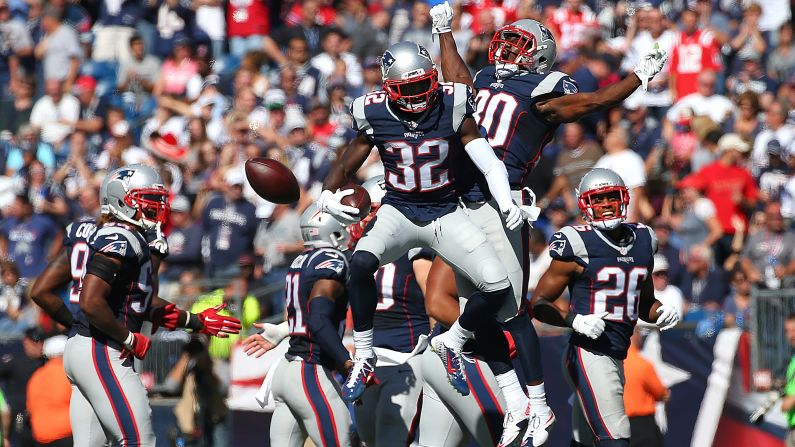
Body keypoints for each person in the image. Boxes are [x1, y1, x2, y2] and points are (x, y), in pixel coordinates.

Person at [430, 8, 667, 443]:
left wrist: (636, 78)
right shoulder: (482, 79)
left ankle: (535, 404)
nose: (505, 51)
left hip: (502, 204)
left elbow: (592, 102)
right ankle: (507, 389)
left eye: (520, 47)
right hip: (460, 197)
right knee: (451, 300)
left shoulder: (545, 88)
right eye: (506, 42)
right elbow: (456, 77)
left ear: (540, 58)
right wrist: (444, 32)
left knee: (508, 304)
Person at [316, 41, 526, 414]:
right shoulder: (373, 112)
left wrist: (506, 199)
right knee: (360, 263)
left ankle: (454, 340)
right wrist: (326, 195)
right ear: (387, 87)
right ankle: (363, 354)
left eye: (421, 86)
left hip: (445, 212)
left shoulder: (453, 103)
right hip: (398, 211)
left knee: (497, 287)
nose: (415, 96)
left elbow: (490, 163)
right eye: (405, 89)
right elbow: (346, 163)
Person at [62, 164, 240, 447]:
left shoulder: (129, 236)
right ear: (122, 199)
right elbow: (91, 301)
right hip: (102, 348)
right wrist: (129, 337)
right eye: (148, 199)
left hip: (86, 346)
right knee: (138, 440)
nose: (157, 206)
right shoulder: (120, 236)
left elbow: (140, 303)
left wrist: (195, 321)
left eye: (158, 199)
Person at [530, 168, 680, 447]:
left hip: (616, 351)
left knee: (585, 440)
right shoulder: (577, 242)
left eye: (611, 197)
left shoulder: (644, 239)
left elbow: (645, 303)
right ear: (586, 204)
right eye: (598, 200)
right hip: (588, 351)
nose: (606, 204)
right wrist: (574, 320)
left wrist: (660, 311)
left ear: (623, 198)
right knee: (616, 437)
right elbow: (539, 304)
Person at [253, 205, 353, 447]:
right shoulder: (332, 260)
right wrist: (348, 363)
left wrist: (282, 329)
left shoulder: (301, 259)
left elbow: (307, 316)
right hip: (310, 371)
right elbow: (318, 320)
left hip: (287, 371)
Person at [0, 327, 44, 447]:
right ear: (26, 342)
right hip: (20, 413)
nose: (39, 345)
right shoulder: (14, 361)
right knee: (20, 436)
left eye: (41, 341)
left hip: (41, 412)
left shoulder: (46, 362)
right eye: (35, 341)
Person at [623, 330, 669, 447]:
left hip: (617, 423)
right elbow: (661, 393)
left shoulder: (611, 364)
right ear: (635, 335)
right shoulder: (642, 364)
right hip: (643, 425)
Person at [26, 335, 72, 447]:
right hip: (67, 434)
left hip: (41, 436)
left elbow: (29, 408)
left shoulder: (36, 376)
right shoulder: (69, 374)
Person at [781, 313, 795, 447]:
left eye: (794, 330)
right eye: (788, 331)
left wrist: (784, 403)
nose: (791, 335)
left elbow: (789, 402)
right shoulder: (793, 360)